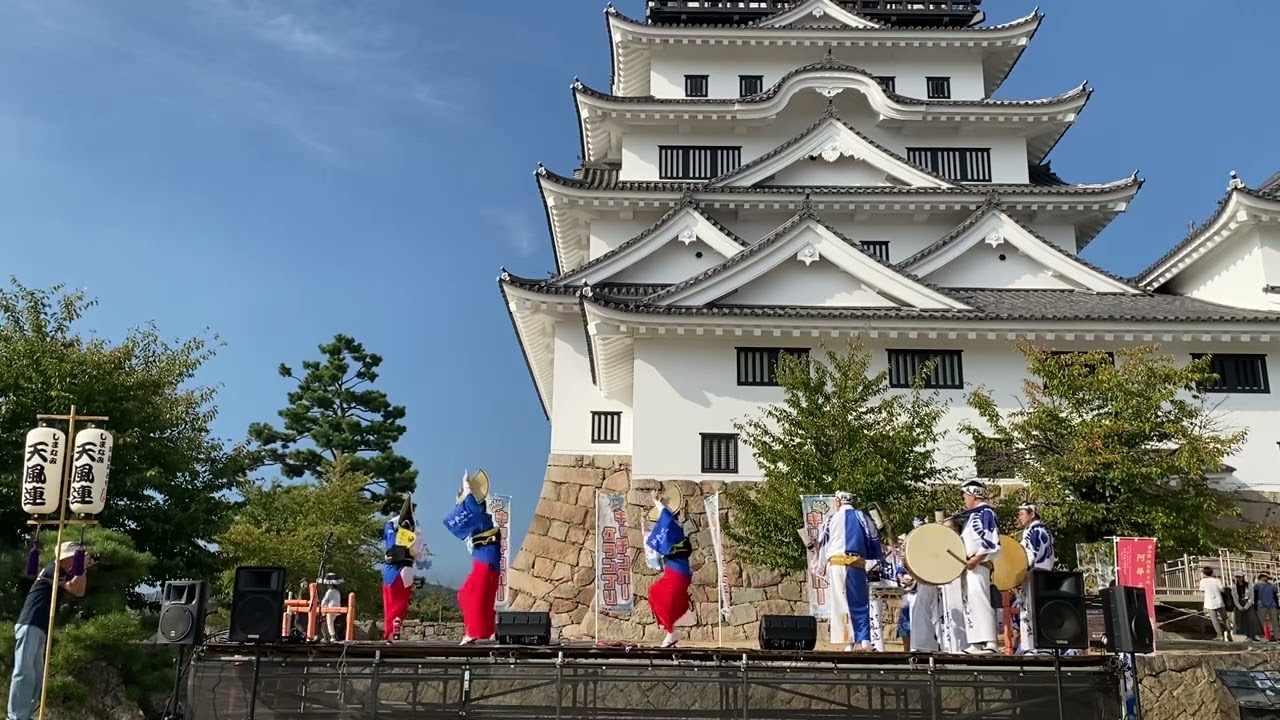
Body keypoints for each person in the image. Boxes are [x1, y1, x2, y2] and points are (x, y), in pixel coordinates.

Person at [8, 542, 89, 720]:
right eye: (73, 558)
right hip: (30, 622)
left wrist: (82, 569)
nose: (74, 561)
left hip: (40, 626)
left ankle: (26, 714)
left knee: (36, 675)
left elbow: (80, 591)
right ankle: (16, 716)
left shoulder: (63, 573)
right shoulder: (53, 569)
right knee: (23, 670)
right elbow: (72, 587)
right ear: (64, 558)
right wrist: (81, 567)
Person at [815, 491, 883, 651]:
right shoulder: (862, 517)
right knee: (859, 601)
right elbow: (873, 537)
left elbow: (823, 543)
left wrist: (821, 565)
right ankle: (864, 640)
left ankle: (848, 642)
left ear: (838, 502)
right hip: (855, 563)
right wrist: (875, 556)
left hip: (835, 564)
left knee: (840, 602)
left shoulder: (830, 519)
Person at [444, 471, 501, 645]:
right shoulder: (480, 522)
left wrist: (467, 488)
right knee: (473, 595)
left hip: (486, 561)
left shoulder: (480, 518)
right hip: (485, 560)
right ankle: (485, 630)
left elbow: (471, 507)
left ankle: (475, 632)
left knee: (472, 595)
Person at [958, 479, 1000, 654]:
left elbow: (991, 539)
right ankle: (975, 642)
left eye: (965, 496)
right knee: (971, 603)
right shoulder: (972, 516)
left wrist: (976, 558)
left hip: (979, 563)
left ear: (973, 495)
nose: (964, 499)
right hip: (969, 564)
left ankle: (991, 642)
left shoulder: (986, 513)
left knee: (981, 600)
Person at [646, 494, 693, 647]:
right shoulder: (676, 529)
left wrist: (657, 502)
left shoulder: (673, 527)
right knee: (657, 593)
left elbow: (665, 516)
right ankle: (669, 629)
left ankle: (669, 631)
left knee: (658, 594)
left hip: (677, 571)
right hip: (676, 570)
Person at [1015, 502, 1055, 654]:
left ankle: (1033, 647)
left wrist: (1021, 571)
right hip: (1043, 575)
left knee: (1031, 611)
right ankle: (1040, 646)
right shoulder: (1044, 531)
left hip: (1034, 574)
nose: (1019, 517)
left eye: (1022, 514)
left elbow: (1031, 555)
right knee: (1039, 609)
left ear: (1032, 514)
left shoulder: (1034, 531)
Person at [382, 497, 423, 642]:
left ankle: (388, 633)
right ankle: (397, 620)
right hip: (408, 568)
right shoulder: (417, 530)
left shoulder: (391, 527)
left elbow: (389, 542)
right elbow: (419, 555)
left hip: (392, 568)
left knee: (390, 600)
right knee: (402, 600)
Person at [1230, 570, 1263, 642]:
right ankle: (1243, 636)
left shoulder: (1249, 585)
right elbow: (1234, 598)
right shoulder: (1234, 586)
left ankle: (1252, 635)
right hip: (1239, 604)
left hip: (1247, 603)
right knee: (1240, 621)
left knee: (1251, 620)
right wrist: (1239, 607)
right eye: (1238, 577)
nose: (1239, 578)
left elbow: (1251, 596)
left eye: (1240, 577)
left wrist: (1246, 606)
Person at [1199, 567, 1230, 642]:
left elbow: (1202, 591)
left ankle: (1220, 635)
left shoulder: (1203, 581)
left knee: (1214, 620)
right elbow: (1222, 589)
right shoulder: (1217, 580)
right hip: (1219, 601)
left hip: (1210, 602)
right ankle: (1229, 633)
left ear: (1204, 573)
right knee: (1225, 619)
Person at [320, 573, 345, 643]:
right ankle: (330, 636)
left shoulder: (329, 591)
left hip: (331, 608)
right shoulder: (337, 592)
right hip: (337, 608)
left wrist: (321, 606)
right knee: (332, 622)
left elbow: (325, 600)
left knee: (329, 622)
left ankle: (332, 636)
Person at [1254, 572, 1278, 641]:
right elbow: (1256, 596)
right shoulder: (1257, 586)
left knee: (1275, 621)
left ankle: (1277, 636)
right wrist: (1255, 605)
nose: (1264, 578)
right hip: (1261, 605)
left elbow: (1275, 596)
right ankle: (1261, 636)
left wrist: (1277, 606)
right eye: (1263, 576)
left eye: (1265, 576)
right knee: (1260, 622)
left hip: (1272, 605)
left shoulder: (1272, 586)